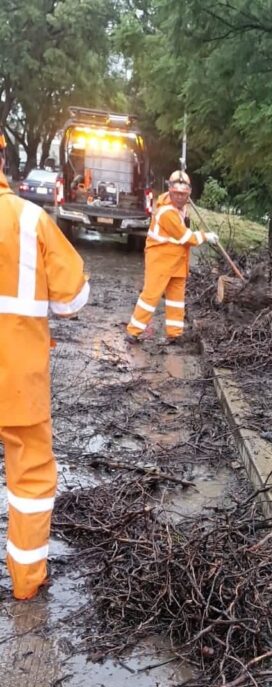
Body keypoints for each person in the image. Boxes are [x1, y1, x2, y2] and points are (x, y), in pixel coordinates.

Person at [0, 130, 89, 599]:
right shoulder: (31, 219)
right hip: (18, 379)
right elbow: (72, 299)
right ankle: (26, 581)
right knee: (31, 478)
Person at [126, 169, 218, 343]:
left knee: (176, 299)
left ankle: (174, 334)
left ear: (189, 193)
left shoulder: (180, 208)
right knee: (151, 296)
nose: (180, 197)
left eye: (183, 194)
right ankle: (133, 331)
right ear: (170, 191)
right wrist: (205, 236)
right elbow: (185, 237)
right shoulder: (166, 212)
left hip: (177, 261)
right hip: (160, 260)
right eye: (176, 194)